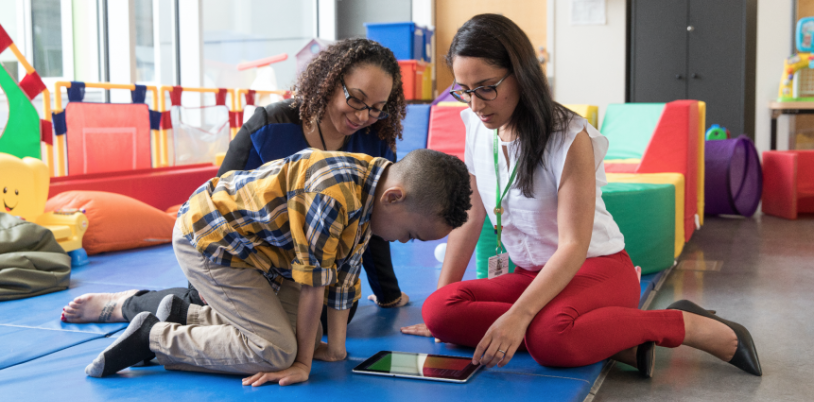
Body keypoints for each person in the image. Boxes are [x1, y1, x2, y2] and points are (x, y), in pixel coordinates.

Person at [400, 14, 761, 378]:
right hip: (532, 275)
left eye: (486, 87)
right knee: (439, 310)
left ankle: (680, 323)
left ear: (521, 74)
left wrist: (519, 315)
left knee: (549, 341)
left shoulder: (569, 137)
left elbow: (574, 245)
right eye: (464, 90)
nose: (475, 105)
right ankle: (615, 339)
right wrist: (440, 307)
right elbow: (471, 216)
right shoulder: (476, 127)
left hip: (596, 270)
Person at [61, 38, 412, 329]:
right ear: (329, 82)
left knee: (332, 314)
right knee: (241, 321)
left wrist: (387, 293)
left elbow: (374, 225)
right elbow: (212, 210)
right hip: (251, 257)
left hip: (310, 266)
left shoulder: (374, 144)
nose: (364, 116)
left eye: (378, 108)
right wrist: (201, 292)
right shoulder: (269, 127)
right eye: (356, 100)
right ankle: (129, 303)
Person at [84, 147, 473, 384]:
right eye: (411, 234)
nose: (403, 242)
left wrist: (335, 349)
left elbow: (343, 277)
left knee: (293, 337)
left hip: (254, 254)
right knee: (275, 352)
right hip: (211, 241)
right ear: (394, 198)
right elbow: (312, 286)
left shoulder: (371, 186)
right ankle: (152, 339)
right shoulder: (333, 195)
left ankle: (188, 315)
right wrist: (302, 362)